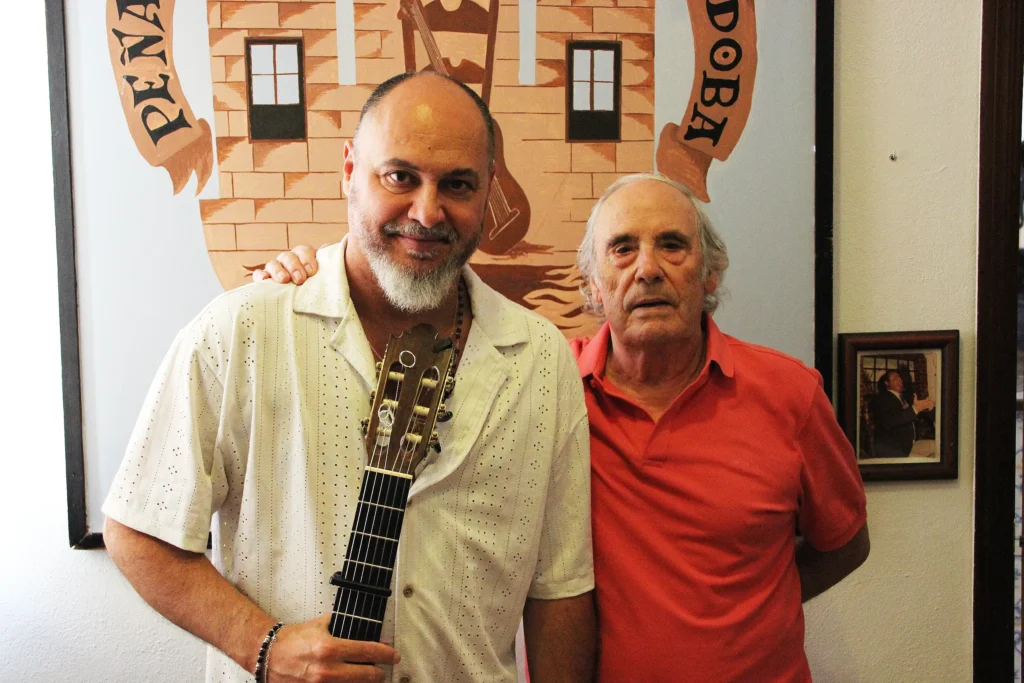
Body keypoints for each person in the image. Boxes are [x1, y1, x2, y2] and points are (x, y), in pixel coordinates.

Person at [264, 172, 870, 682]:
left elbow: (845, 543)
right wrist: (308, 271)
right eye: (623, 249)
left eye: (673, 246)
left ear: (709, 274)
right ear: (592, 288)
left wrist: (755, 610)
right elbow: (405, 289)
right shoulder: (543, 387)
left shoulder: (790, 394)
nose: (649, 269)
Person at [103, 71, 596, 683]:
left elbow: (560, 588)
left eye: (458, 185)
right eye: (400, 176)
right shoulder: (244, 331)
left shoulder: (542, 359)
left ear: (488, 191)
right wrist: (265, 646)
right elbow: (136, 529)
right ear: (348, 170)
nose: (426, 211)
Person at [870, 369, 934, 458]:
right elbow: (891, 420)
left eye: (900, 378)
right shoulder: (882, 399)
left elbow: (913, 415)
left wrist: (928, 407)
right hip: (893, 450)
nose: (899, 380)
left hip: (910, 444)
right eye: (895, 378)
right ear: (886, 383)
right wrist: (914, 409)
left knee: (937, 446)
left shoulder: (904, 398)